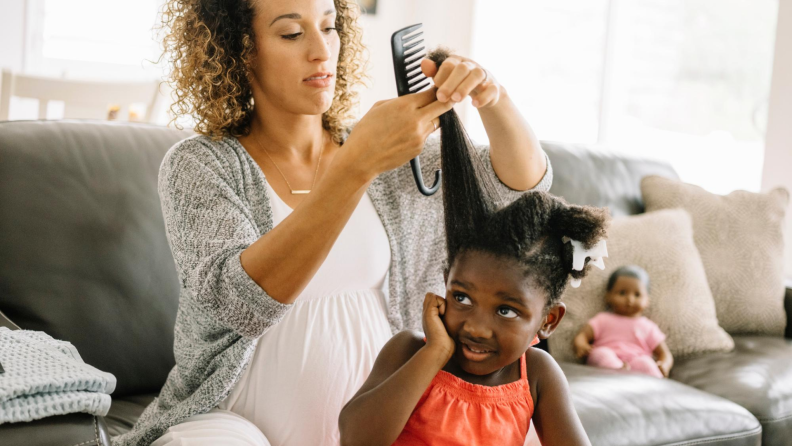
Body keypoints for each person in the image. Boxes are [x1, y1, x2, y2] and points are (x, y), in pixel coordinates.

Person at [114, 0, 552, 444]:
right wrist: (355, 165)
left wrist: (492, 97)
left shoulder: (390, 156)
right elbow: (238, 305)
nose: (322, 51)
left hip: (377, 424)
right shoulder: (200, 165)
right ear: (240, 49)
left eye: (329, 27)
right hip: (233, 424)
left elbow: (517, 189)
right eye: (291, 34)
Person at [339, 65, 606, 444]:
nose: (476, 326)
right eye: (461, 297)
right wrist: (434, 354)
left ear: (548, 321)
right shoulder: (409, 350)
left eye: (506, 310)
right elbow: (356, 438)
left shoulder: (537, 374)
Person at [573, 265, 674, 378]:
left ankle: (656, 385)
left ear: (647, 300)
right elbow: (582, 335)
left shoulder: (648, 326)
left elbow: (664, 353)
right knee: (600, 353)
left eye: (637, 295)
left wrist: (664, 364)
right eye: (622, 293)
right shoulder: (602, 319)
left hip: (637, 365)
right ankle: (617, 372)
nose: (629, 299)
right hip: (609, 360)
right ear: (608, 296)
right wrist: (581, 345)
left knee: (645, 362)